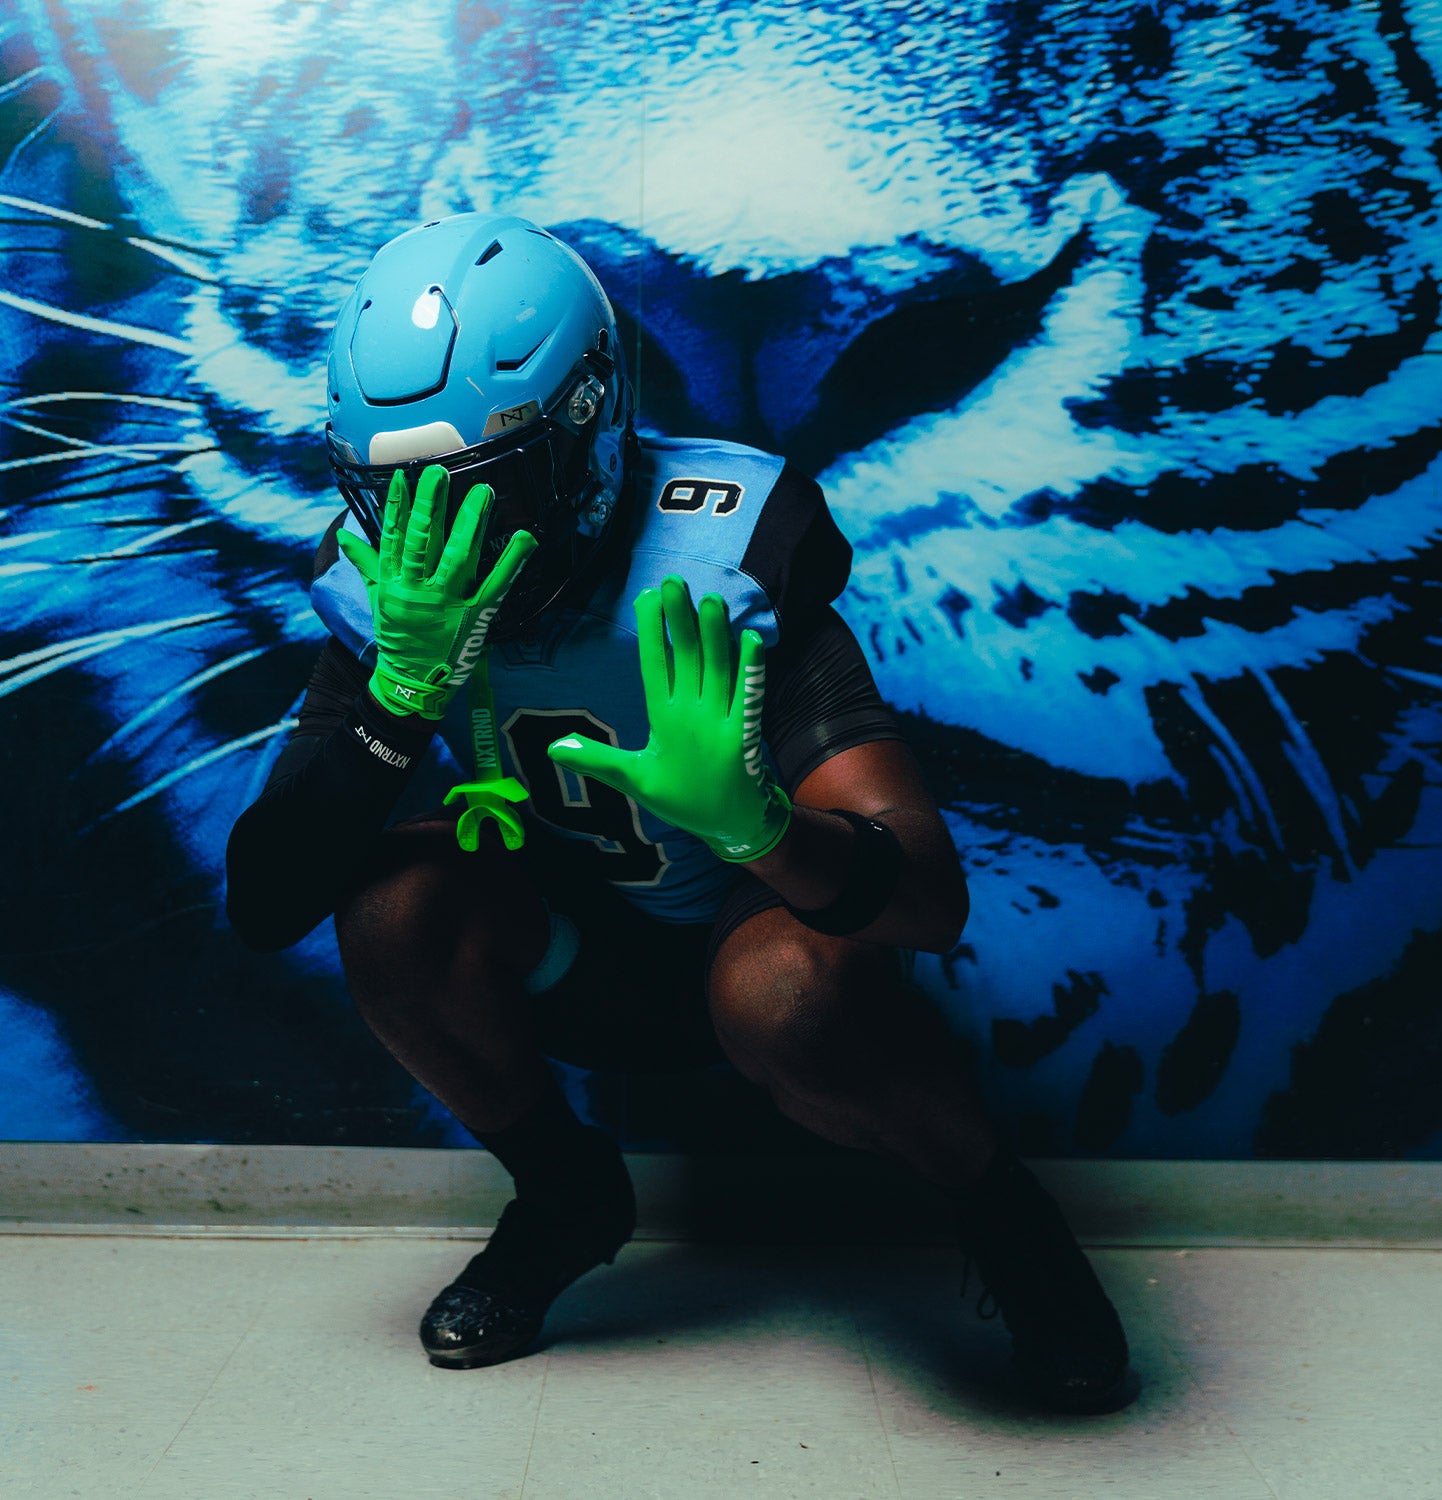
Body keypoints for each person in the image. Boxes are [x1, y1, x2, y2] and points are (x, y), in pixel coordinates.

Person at [224, 211, 1136, 1413]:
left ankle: (1008, 1219)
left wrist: (761, 826)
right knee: (393, 907)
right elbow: (266, 904)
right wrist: (399, 698)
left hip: (759, 953)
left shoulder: (723, 549)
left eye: (483, 489)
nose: (439, 541)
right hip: (578, 958)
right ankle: (566, 1195)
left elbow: (927, 900)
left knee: (784, 991)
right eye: (396, 497)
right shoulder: (396, 594)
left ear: (594, 421)